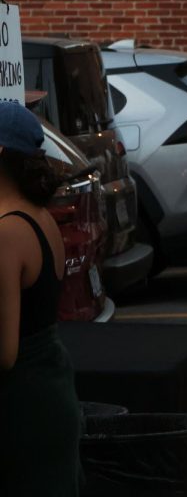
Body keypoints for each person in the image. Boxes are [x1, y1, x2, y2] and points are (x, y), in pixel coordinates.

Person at [0, 103, 80, 496]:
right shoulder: (42, 218)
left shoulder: (7, 233)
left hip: (19, 412)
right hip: (52, 390)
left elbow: (4, 351)